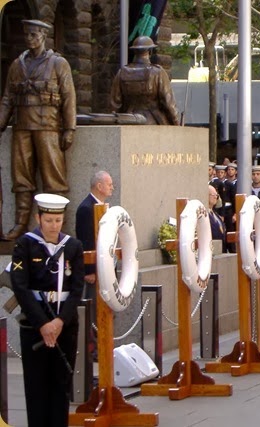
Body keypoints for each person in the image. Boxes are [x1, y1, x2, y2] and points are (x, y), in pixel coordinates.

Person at [10, 193, 84, 426]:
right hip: (35, 324)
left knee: (61, 385)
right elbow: (20, 287)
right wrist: (43, 324)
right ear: (38, 218)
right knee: (37, 386)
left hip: (64, 324)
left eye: (58, 220)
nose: (54, 226)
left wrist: (60, 322)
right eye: (49, 220)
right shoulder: (26, 245)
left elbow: (77, 287)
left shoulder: (73, 246)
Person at [0, 20, 76, 240]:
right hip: (22, 127)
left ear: (43, 35)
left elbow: (69, 97)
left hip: (48, 128)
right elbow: (8, 98)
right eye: (27, 35)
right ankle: (20, 225)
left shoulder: (58, 63)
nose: (29, 38)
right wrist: (2, 121)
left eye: (33, 34)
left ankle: (55, 227)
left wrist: (69, 128)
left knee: (54, 179)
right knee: (21, 178)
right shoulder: (17, 64)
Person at [74, 170, 113, 360]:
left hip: (105, 268)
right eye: (109, 184)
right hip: (93, 270)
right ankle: (93, 348)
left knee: (104, 307)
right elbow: (85, 241)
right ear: (99, 186)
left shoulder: (102, 206)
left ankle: (103, 344)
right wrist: (89, 270)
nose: (112, 187)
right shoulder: (86, 208)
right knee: (93, 310)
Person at [110, 36, 180, 125]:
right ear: (150, 51)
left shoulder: (122, 72)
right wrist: (176, 123)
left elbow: (115, 104)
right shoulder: (158, 72)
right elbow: (168, 102)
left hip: (128, 121)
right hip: (153, 121)